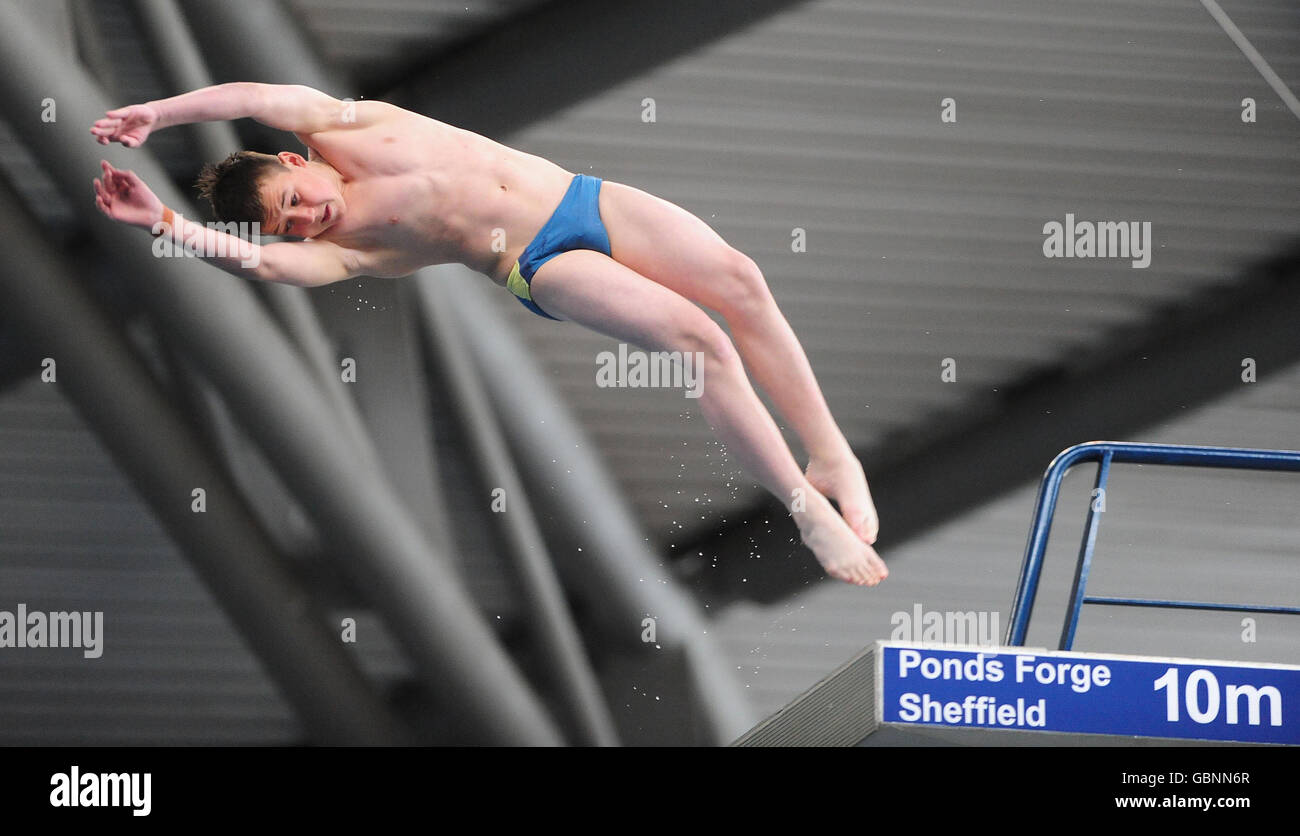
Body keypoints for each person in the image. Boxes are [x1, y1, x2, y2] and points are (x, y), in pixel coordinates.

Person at [91, 82, 887, 586]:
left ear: (290, 158)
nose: (306, 219)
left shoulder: (343, 123)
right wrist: (163, 221)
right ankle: (800, 505)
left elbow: (243, 98)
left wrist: (155, 114)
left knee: (742, 280)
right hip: (540, 260)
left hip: (584, 198)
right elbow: (261, 269)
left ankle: (829, 453)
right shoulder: (346, 252)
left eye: (292, 199)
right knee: (696, 342)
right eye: (287, 227)